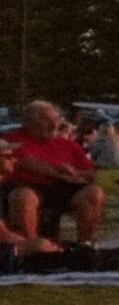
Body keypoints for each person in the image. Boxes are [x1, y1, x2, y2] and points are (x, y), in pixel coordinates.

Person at [6, 100, 105, 246]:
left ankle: (86, 245)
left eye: (57, 120)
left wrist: (74, 173)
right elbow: (25, 162)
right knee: (23, 197)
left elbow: (90, 172)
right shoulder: (14, 139)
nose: (55, 125)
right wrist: (59, 173)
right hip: (27, 186)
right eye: (47, 121)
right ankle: (32, 248)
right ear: (30, 122)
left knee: (93, 193)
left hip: (63, 187)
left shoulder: (67, 145)